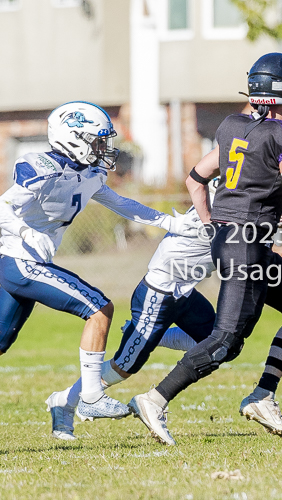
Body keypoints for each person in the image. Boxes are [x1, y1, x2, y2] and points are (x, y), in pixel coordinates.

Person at [128, 53, 282, 445]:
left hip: (240, 243)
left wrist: (214, 222)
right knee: (226, 340)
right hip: (246, 245)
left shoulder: (233, 127)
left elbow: (197, 177)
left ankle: (263, 395)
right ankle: (154, 398)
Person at [46, 179, 282, 440]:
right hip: (158, 294)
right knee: (124, 367)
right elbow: (275, 250)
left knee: (222, 344)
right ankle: (68, 400)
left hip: (184, 291)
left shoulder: (233, 198)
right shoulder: (228, 214)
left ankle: (154, 340)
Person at [0, 101, 199, 423]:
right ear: (73, 138)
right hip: (19, 259)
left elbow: (120, 203)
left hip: (29, 261)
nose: (103, 148)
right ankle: (91, 396)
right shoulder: (40, 167)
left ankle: (86, 397)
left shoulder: (88, 172)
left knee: (1, 343)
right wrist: (24, 231)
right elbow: (3, 209)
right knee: (99, 308)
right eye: (97, 140)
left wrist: (170, 223)